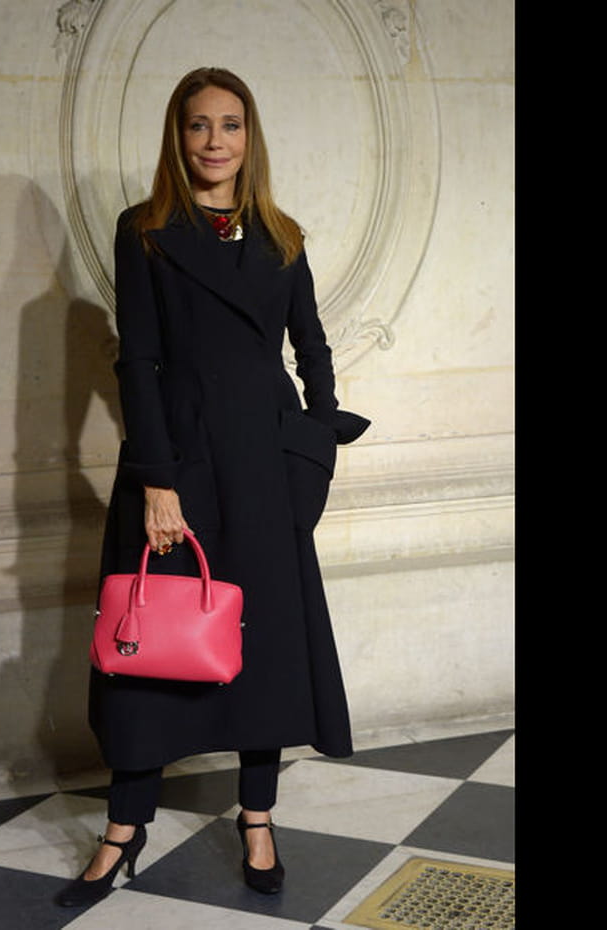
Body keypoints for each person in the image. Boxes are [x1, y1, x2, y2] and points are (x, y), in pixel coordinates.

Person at [55, 66, 369, 908]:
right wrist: (156, 481)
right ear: (179, 136)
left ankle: (257, 818)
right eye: (199, 125)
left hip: (266, 467)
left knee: (262, 645)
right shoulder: (146, 231)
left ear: (248, 137)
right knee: (148, 643)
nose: (215, 141)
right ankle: (124, 827)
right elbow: (138, 361)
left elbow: (311, 344)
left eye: (230, 125)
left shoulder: (281, 234)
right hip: (181, 461)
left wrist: (315, 439)